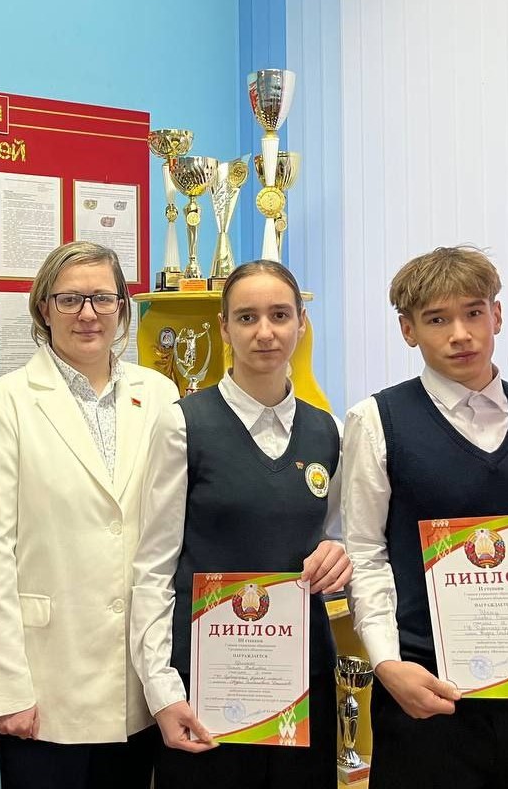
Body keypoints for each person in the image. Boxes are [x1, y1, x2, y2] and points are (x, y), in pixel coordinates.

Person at [342, 246, 508, 789]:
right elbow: (365, 553)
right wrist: (386, 663)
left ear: (496, 316)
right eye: (437, 319)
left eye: (473, 312)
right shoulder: (376, 421)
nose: (460, 334)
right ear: (409, 330)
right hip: (426, 694)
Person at [0, 241, 180, 789]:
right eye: (70, 300)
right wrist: (5, 689)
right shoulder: (6, 403)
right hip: (46, 681)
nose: (88, 313)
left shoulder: (160, 395)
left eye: (102, 298)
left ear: (122, 307)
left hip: (137, 681)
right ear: (44, 308)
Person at [131, 260, 352, 788]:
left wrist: (340, 556)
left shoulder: (329, 431)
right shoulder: (184, 423)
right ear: (225, 329)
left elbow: (342, 539)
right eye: (247, 317)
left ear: (302, 323)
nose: (265, 332)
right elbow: (154, 568)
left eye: (280, 315)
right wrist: (162, 690)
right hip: (206, 686)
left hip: (301, 682)